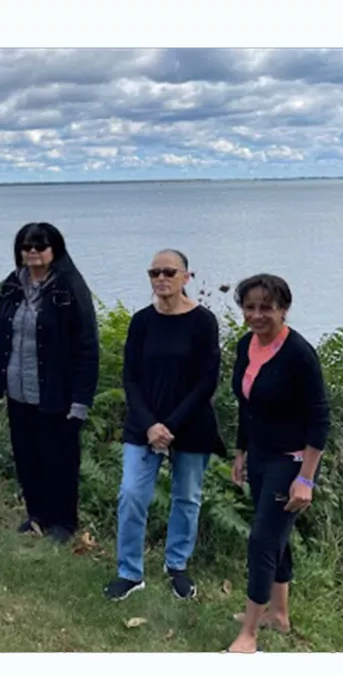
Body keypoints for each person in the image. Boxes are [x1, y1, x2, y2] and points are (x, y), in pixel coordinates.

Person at [104, 249, 227, 602]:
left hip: (190, 423)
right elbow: (130, 378)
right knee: (131, 494)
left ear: (186, 277)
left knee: (187, 498)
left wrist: (169, 426)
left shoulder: (203, 322)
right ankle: (130, 573)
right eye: (154, 272)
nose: (161, 278)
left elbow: (207, 382)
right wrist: (149, 426)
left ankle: (177, 566)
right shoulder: (141, 321)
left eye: (169, 272)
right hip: (144, 425)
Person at [226, 273, 330, 653]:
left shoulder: (299, 354)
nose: (256, 315)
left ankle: (249, 634)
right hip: (261, 457)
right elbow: (247, 405)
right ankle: (279, 615)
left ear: (283, 309)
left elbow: (319, 418)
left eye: (266, 308)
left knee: (262, 541)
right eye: (249, 307)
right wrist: (241, 452)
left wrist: (307, 479)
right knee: (274, 538)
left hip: (292, 461)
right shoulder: (245, 345)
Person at [0, 222, 100, 543]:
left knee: (59, 459)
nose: (33, 252)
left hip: (56, 394)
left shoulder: (67, 288)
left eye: (40, 246)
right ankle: (37, 515)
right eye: (26, 246)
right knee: (27, 456)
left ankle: (64, 523)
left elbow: (86, 344)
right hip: (19, 391)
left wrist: (81, 399)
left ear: (54, 250)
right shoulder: (12, 285)